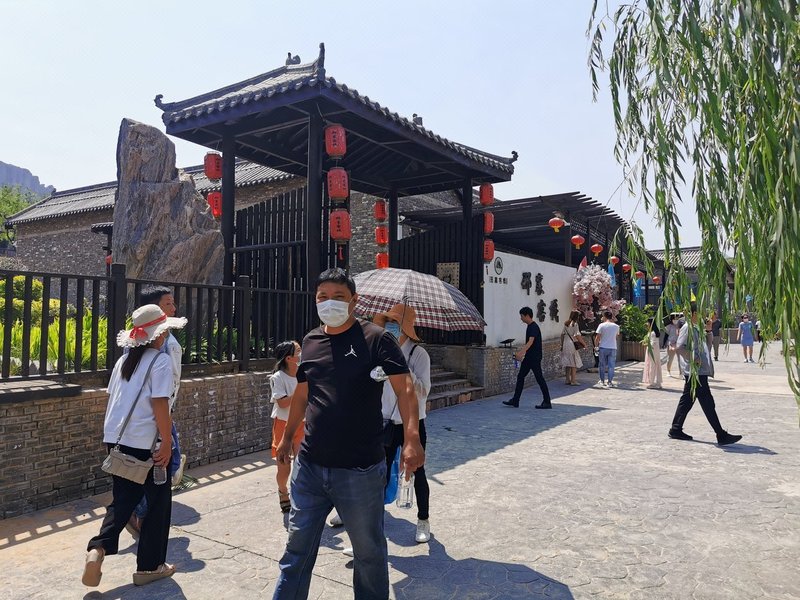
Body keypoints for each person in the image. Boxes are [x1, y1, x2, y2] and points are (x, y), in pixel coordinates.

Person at [272, 268, 424, 600]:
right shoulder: (310, 341)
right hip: (310, 467)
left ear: (354, 301)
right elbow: (302, 393)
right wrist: (287, 436)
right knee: (296, 552)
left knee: (368, 555)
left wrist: (412, 438)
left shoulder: (376, 339)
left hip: (360, 470)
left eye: (338, 297)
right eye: (322, 297)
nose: (330, 303)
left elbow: (405, 389)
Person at [82, 304, 187, 588]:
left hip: (117, 440)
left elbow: (115, 399)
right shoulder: (160, 361)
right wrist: (167, 442)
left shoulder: (123, 362)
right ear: (158, 334)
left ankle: (97, 549)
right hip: (146, 444)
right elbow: (160, 404)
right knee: (158, 503)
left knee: (123, 500)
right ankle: (149, 567)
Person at [126, 286, 186, 540]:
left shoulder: (154, 342)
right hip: (156, 415)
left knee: (158, 467)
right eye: (168, 304)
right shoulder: (156, 345)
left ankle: (136, 513)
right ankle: (135, 511)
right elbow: (158, 394)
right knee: (167, 464)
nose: (173, 308)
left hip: (157, 413)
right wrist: (165, 429)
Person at [374, 304, 433, 544]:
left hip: (412, 423)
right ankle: (369, 522)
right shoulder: (381, 351)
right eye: (388, 322)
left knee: (417, 471)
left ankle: (423, 519)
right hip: (385, 421)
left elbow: (424, 390)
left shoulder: (419, 355)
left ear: (406, 328)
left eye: (395, 323)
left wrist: (402, 367)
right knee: (377, 471)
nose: (390, 327)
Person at [668, 304, 742, 446]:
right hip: (695, 371)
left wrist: (708, 331)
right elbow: (679, 347)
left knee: (688, 401)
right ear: (694, 313)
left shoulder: (698, 328)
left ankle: (676, 429)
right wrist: (694, 358)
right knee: (707, 402)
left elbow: (706, 347)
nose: (705, 315)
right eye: (701, 312)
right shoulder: (687, 328)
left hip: (699, 370)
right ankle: (720, 434)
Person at [269, 340, 303, 514]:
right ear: (289, 358)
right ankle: (283, 491)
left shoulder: (305, 373)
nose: (302, 354)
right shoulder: (278, 378)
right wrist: (301, 391)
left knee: (303, 463)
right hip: (283, 423)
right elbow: (282, 403)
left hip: (303, 423)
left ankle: (300, 496)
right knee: (284, 465)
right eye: (298, 351)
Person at [502, 306, 552, 409]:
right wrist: (523, 354)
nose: (521, 318)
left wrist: (520, 353)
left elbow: (530, 342)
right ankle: (515, 400)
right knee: (521, 376)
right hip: (529, 357)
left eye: (522, 316)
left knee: (539, 379)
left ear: (527, 315)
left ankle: (547, 401)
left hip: (534, 358)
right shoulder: (530, 326)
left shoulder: (533, 327)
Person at [594, 311, 620, 388]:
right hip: (613, 347)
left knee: (602, 365)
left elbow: (597, 337)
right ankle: (610, 382)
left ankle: (602, 381)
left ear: (605, 317)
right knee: (611, 366)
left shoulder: (601, 325)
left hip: (603, 347)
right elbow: (616, 337)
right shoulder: (616, 326)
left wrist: (596, 346)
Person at [560, 310, 584, 386]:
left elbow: (562, 335)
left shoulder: (566, 323)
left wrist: (561, 345)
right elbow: (577, 335)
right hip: (572, 344)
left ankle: (567, 379)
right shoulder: (575, 324)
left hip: (565, 343)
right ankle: (573, 380)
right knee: (574, 363)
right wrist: (584, 344)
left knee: (568, 362)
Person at [642, 318, 663, 389]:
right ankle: (658, 382)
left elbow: (653, 343)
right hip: (655, 350)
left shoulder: (652, 333)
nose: (647, 324)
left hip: (652, 350)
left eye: (648, 322)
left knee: (652, 365)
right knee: (656, 364)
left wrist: (646, 344)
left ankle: (652, 383)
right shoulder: (655, 332)